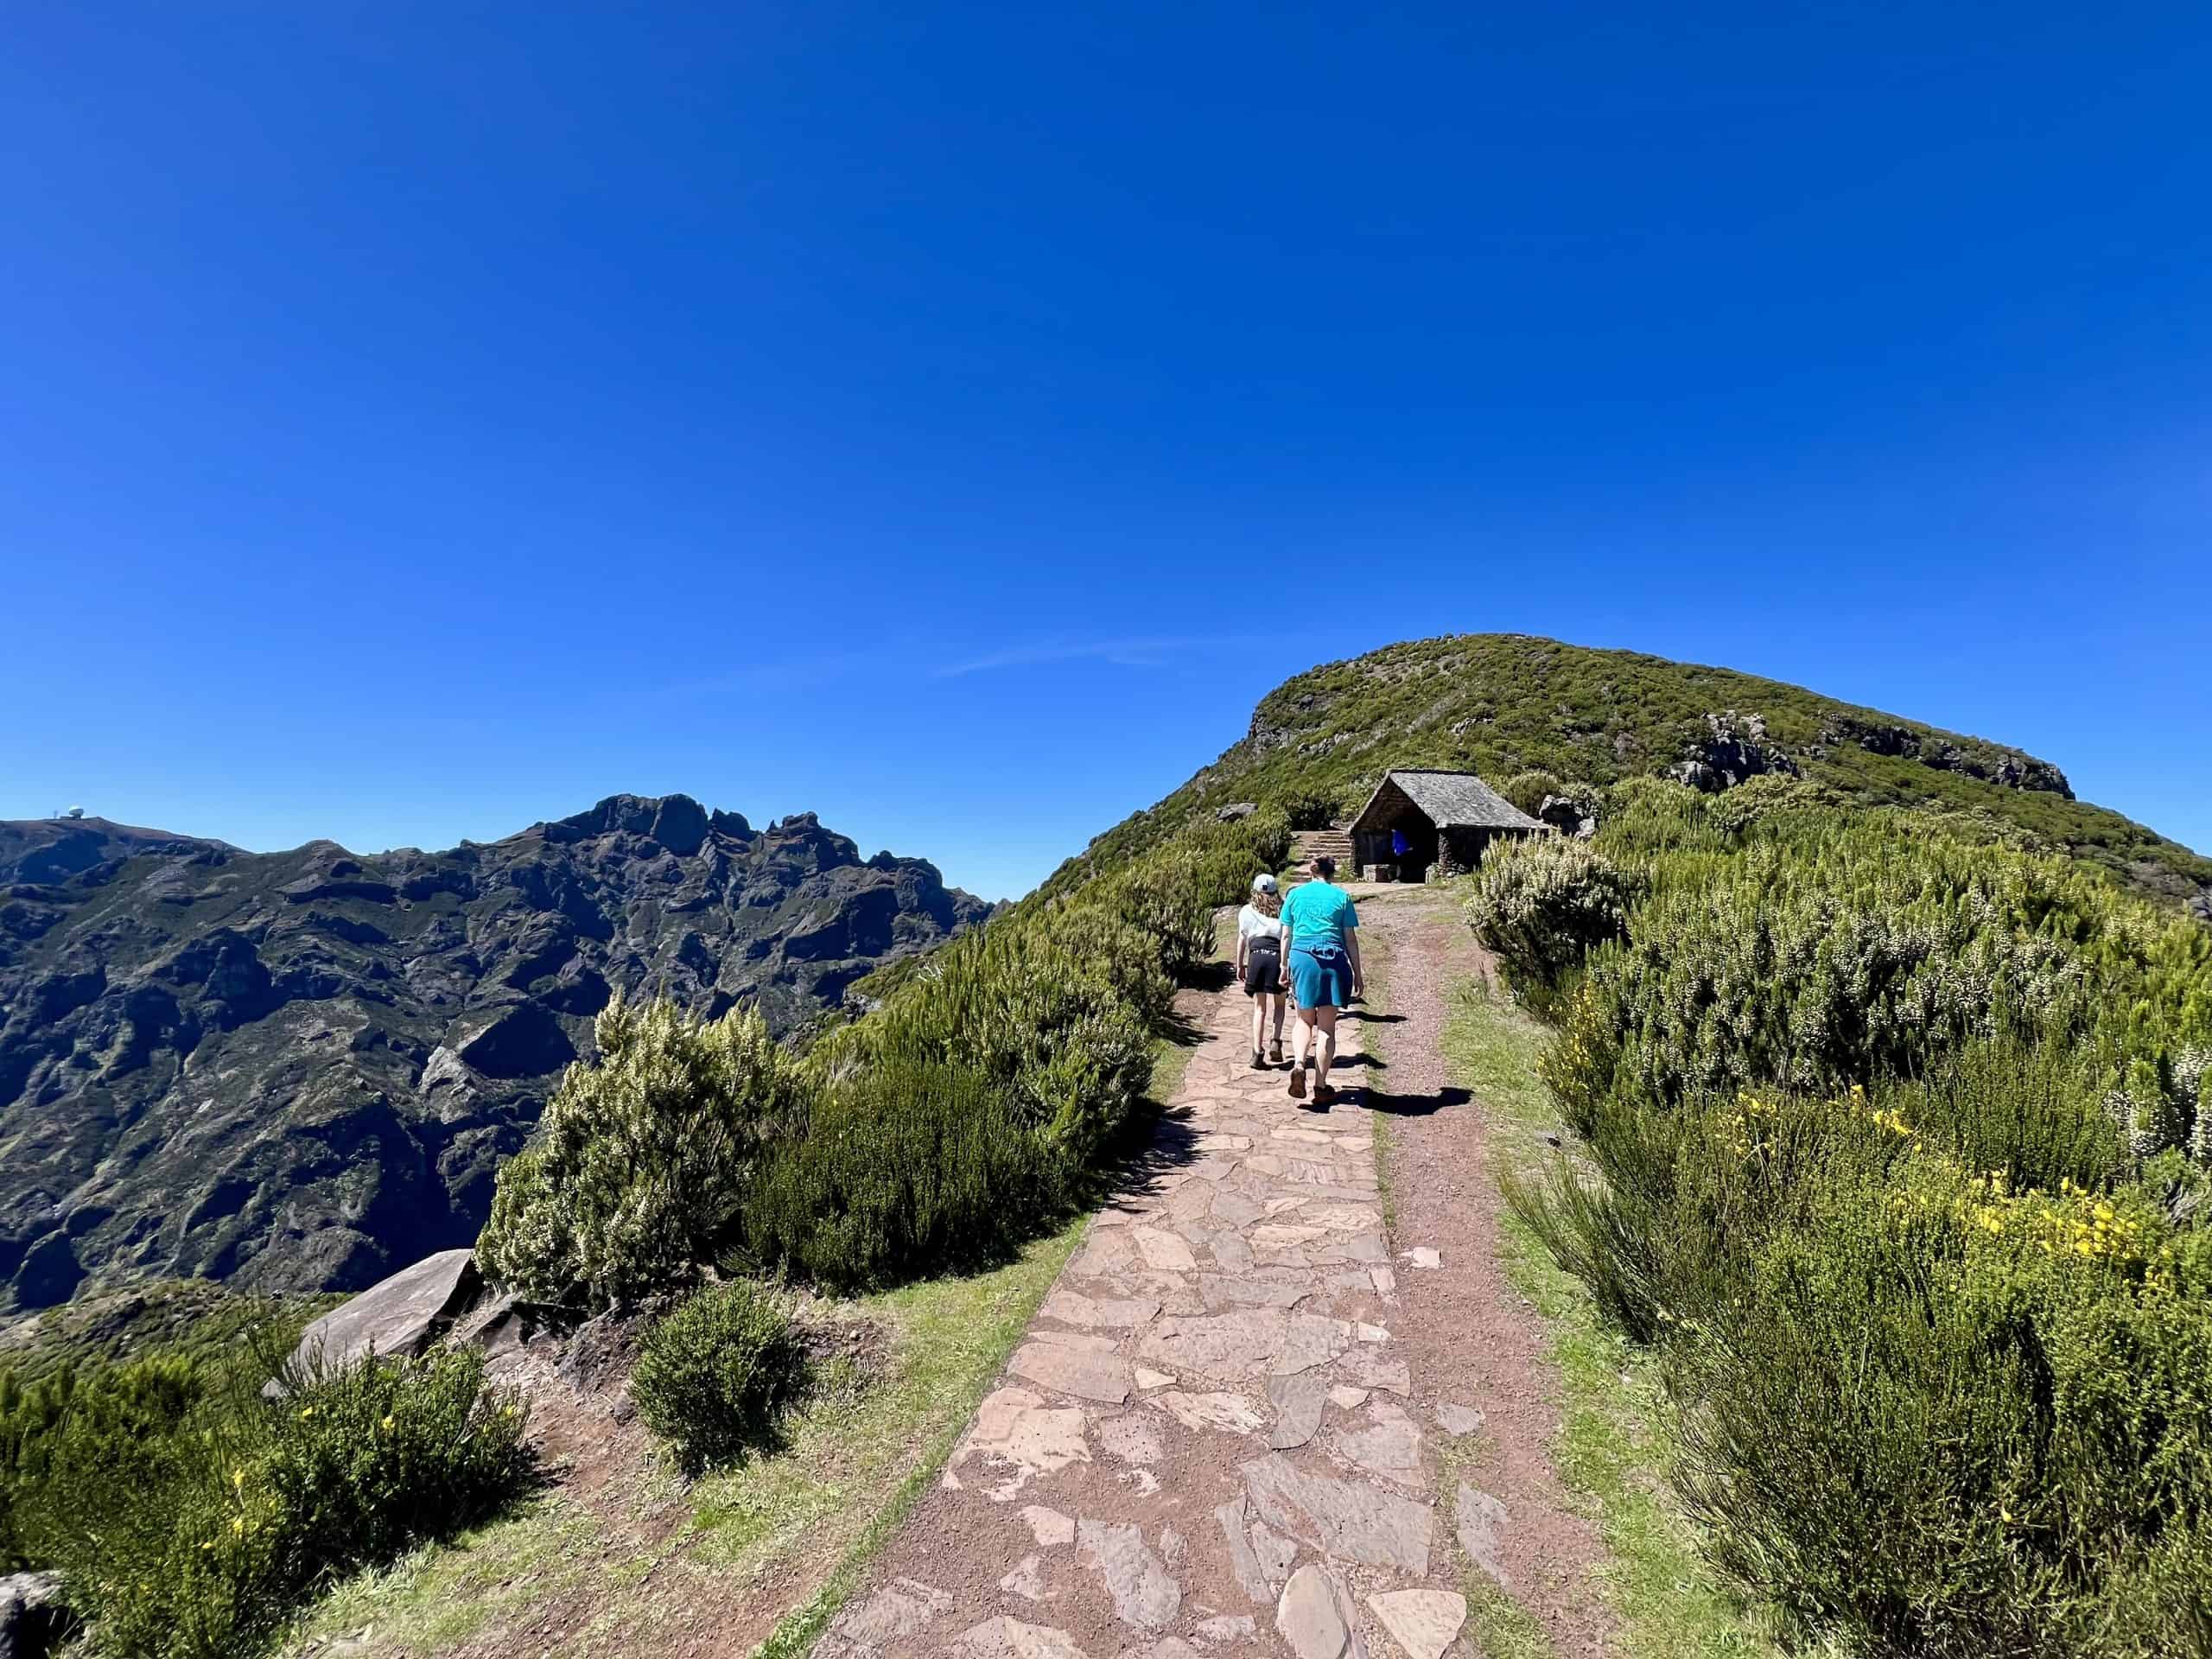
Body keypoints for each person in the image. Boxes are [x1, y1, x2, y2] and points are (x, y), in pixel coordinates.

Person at [1277, 855, 1363, 1104]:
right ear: (1332, 873)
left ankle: (1300, 1064)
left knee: (1304, 1020)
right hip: (1334, 958)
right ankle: (1321, 1085)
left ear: (1311, 872)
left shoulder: (1294, 895)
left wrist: (1284, 967)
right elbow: (1350, 940)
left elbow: (1285, 936)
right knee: (1327, 1027)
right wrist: (1358, 973)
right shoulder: (1342, 897)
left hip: (1303, 957)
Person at [1234, 873, 1287, 1068]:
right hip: (1277, 955)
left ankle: (1257, 1051)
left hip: (1256, 954)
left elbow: (1242, 939)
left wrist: (1240, 964)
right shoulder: (1283, 909)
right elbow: (1288, 936)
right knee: (1280, 1004)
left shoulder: (1246, 911)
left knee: (1259, 1008)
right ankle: (1276, 1040)